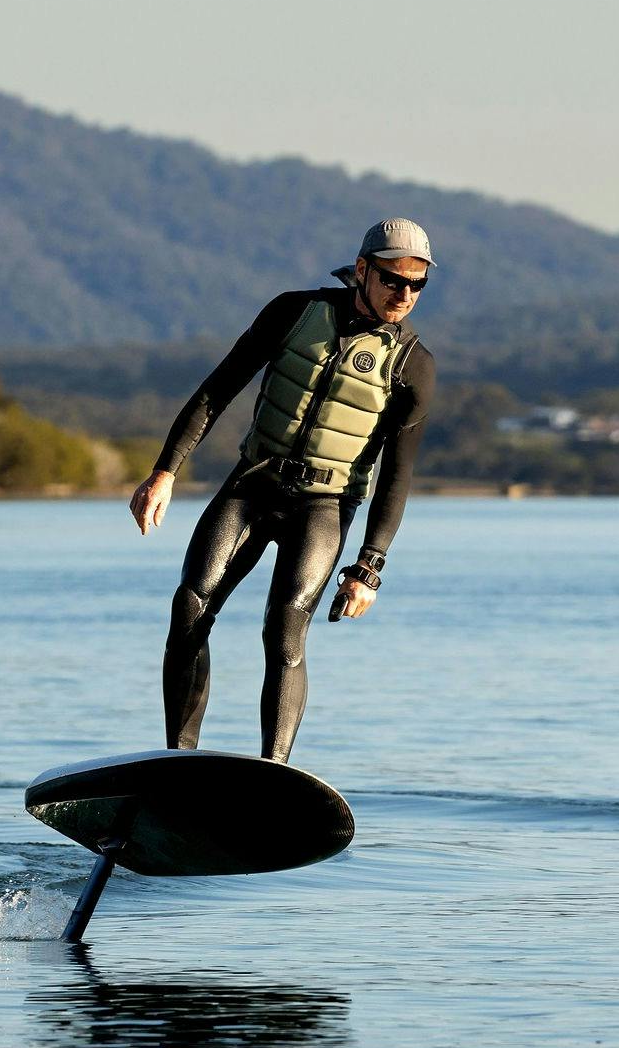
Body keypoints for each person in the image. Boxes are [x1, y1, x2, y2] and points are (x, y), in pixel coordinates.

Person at [127, 218, 438, 763]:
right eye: (393, 280)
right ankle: (179, 760)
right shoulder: (293, 312)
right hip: (251, 487)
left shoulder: (414, 366)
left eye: (417, 285)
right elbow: (218, 388)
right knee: (190, 606)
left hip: (325, 506)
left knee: (284, 630)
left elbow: (397, 474)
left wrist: (369, 567)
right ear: (361, 270)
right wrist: (165, 471)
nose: (404, 295)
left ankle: (274, 772)